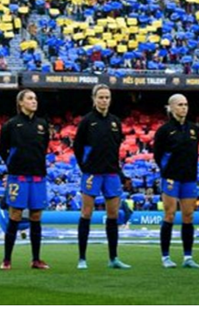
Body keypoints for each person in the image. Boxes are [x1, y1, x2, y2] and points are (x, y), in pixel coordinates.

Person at [73, 84, 130, 270]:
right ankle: (82, 258)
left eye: (107, 97)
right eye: (101, 97)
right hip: (92, 174)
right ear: (94, 99)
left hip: (111, 173)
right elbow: (77, 147)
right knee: (86, 213)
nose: (104, 100)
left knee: (113, 215)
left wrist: (120, 172)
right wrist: (85, 168)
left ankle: (113, 258)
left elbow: (115, 149)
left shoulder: (115, 122)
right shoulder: (87, 121)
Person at [0, 89, 50, 270]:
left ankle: (36, 259)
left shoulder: (42, 125)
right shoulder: (11, 125)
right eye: (29, 98)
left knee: (36, 216)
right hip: (18, 177)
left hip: (38, 176)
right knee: (15, 216)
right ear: (21, 103)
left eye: (35, 98)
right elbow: (2, 150)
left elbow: (44, 148)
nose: (34, 101)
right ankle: (6, 259)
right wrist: (14, 165)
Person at [152, 93, 199, 269]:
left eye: (186, 104)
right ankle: (165, 256)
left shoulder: (194, 129)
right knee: (170, 214)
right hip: (171, 177)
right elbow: (157, 155)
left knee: (189, 216)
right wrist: (167, 170)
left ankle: (188, 256)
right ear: (171, 108)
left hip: (189, 178)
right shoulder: (164, 131)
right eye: (180, 105)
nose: (183, 108)